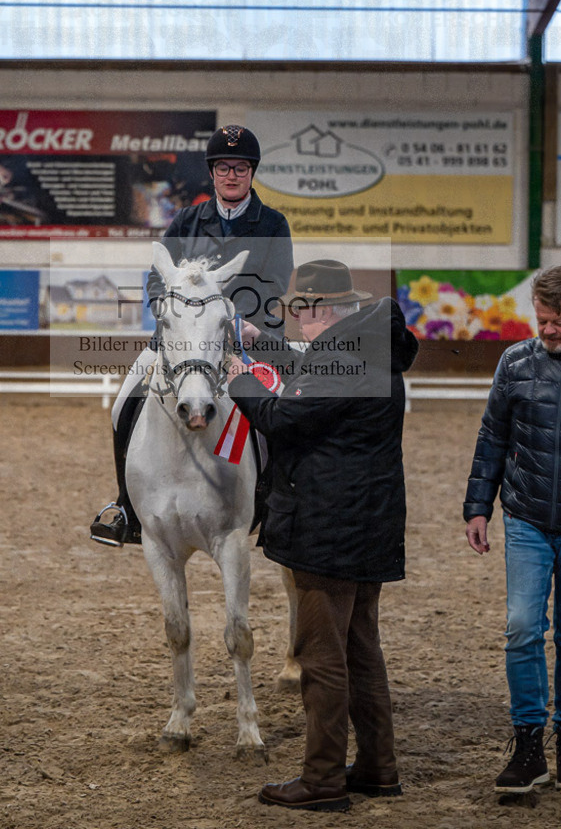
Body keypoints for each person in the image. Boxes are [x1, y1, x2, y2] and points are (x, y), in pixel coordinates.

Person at [226, 258, 418, 812]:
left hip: (327, 527)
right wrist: (263, 344)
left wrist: (236, 376)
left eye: (298, 313)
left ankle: (323, 778)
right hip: (368, 525)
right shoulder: (367, 346)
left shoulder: (345, 359)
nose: (295, 323)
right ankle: (379, 767)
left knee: (321, 657)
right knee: (361, 649)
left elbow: (285, 416)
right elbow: (312, 366)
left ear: (320, 311)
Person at [90, 124, 294, 547]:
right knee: (123, 401)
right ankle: (126, 506)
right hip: (182, 339)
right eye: (223, 168)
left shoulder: (273, 223)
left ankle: (279, 502)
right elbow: (157, 276)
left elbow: (274, 284)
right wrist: (165, 310)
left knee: (286, 408)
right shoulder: (187, 219)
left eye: (240, 168)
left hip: (246, 337)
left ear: (252, 173)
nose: (232, 175)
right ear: (213, 173)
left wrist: (236, 323)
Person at [464, 265, 561, 795]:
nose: (546, 331)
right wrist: (478, 506)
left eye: (556, 323)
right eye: (542, 321)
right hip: (526, 515)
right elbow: (493, 435)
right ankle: (528, 744)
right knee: (523, 627)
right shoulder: (515, 361)